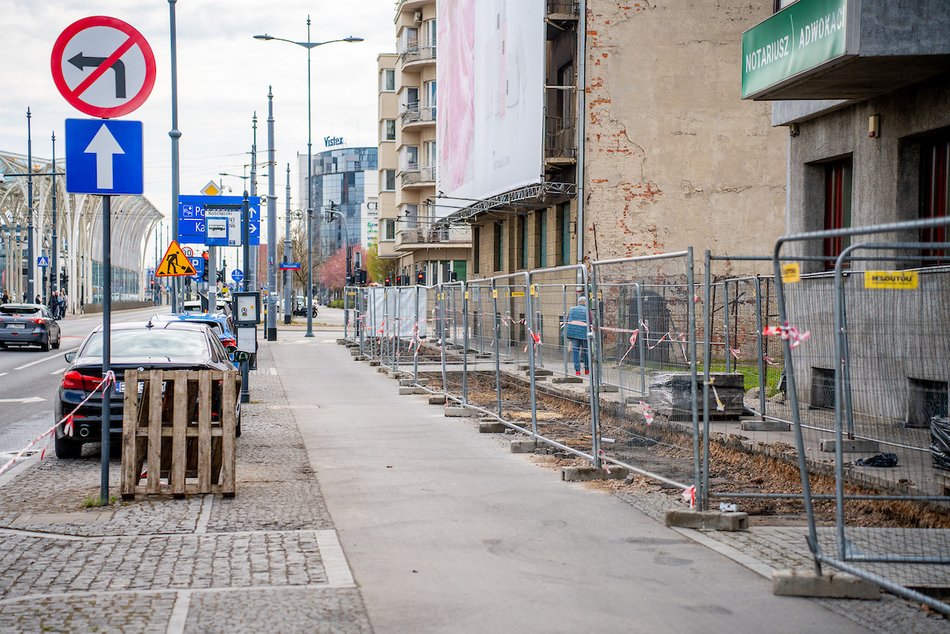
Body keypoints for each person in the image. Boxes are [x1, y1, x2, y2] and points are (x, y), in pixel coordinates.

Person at [565, 295, 591, 376]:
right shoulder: (587, 310)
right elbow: (590, 322)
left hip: (573, 334)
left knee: (575, 352)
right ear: (585, 302)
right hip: (584, 334)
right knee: (586, 351)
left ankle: (577, 371)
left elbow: (567, 320)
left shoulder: (572, 309)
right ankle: (587, 369)